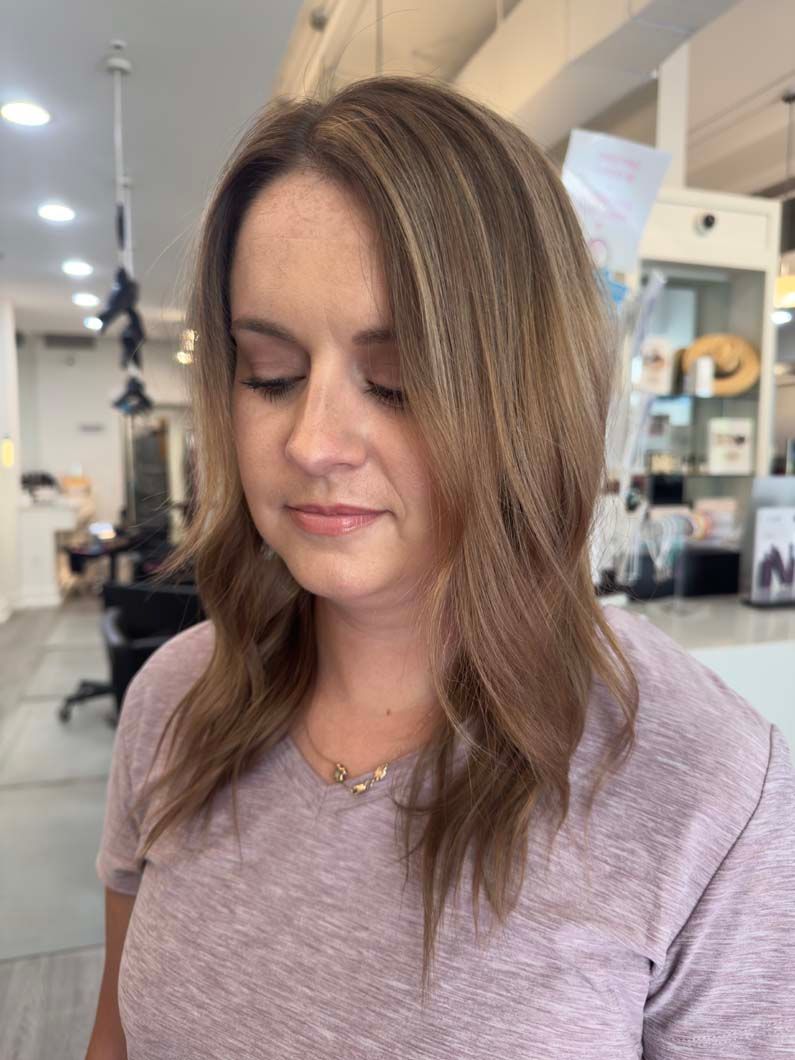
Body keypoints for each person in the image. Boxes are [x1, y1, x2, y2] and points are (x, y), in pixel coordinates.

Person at [86, 75, 795, 1059]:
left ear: (529, 394)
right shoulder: (174, 706)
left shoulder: (708, 791)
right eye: (272, 374)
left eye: (399, 380)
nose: (314, 440)